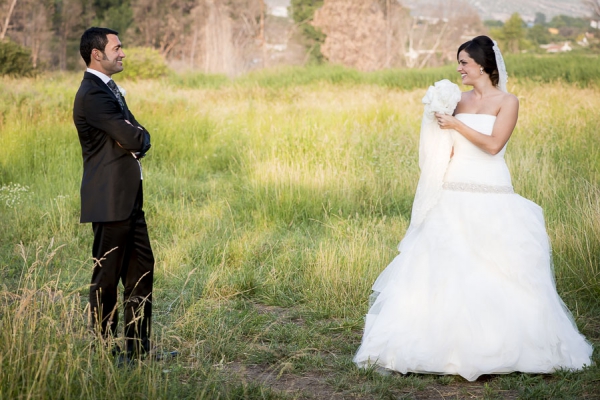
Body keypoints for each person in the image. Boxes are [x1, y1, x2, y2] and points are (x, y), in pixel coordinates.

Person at [353, 35, 593, 381]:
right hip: (453, 189)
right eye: (459, 62)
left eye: (464, 62)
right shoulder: (455, 100)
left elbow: (494, 145)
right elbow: (444, 148)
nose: (459, 68)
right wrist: (436, 139)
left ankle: (504, 345)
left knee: (499, 266)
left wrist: (456, 125)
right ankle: (441, 345)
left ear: (484, 65)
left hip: (492, 189)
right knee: (446, 264)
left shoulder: (507, 101)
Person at [73, 27, 154, 362]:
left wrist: (137, 137)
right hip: (108, 201)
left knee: (142, 272)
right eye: (117, 47)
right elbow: (135, 138)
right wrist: (137, 138)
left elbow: (138, 132)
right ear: (97, 53)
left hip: (129, 199)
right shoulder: (93, 93)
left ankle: (138, 352)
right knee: (106, 281)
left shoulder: (109, 89)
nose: (123, 53)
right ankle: (104, 353)